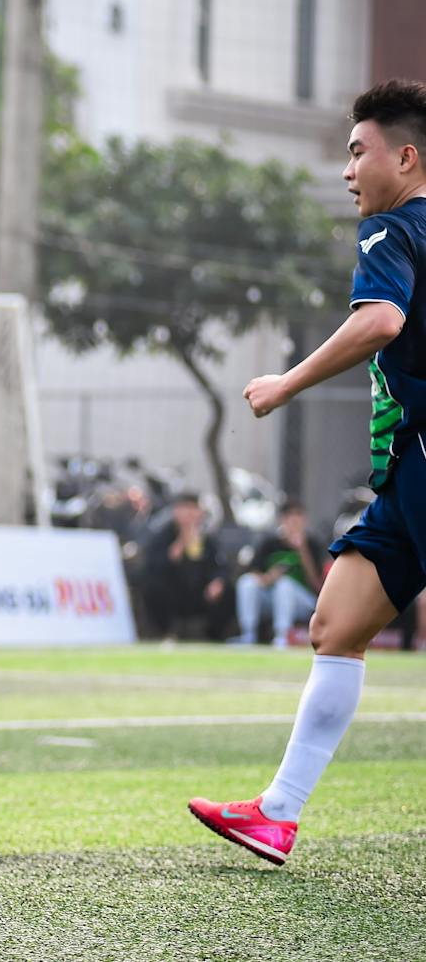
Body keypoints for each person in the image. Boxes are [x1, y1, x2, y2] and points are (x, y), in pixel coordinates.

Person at [191, 78, 426, 866]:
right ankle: (277, 813)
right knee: (335, 625)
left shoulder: (392, 232)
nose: (349, 171)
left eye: (359, 152)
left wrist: (285, 381)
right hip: (405, 477)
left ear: (407, 155)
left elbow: (381, 319)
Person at [232, 501, 326, 648]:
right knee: (247, 582)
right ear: (281, 520)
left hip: (303, 601)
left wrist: (302, 549)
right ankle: (248, 635)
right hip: (271, 595)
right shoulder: (269, 542)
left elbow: (317, 583)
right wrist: (269, 577)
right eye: (289, 516)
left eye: (298, 516)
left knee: (285, 584)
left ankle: (282, 636)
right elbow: (253, 571)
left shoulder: (313, 543)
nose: (294, 521)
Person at [139, 492, 228, 640]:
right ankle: (166, 633)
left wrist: (217, 581)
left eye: (193, 509)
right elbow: (152, 567)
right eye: (185, 509)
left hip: (200, 591)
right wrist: (179, 546)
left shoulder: (207, 539)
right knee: (153, 588)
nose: (189, 514)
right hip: (172, 589)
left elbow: (219, 566)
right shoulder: (162, 536)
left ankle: (213, 636)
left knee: (226, 591)